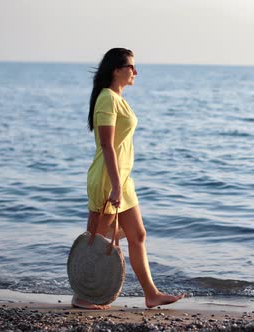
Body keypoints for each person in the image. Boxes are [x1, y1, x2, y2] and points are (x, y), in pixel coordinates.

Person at [72, 48, 185, 310]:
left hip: (123, 178)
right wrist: (114, 185)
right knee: (96, 241)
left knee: (137, 234)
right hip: (108, 178)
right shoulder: (106, 99)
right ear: (116, 70)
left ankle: (151, 294)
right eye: (131, 67)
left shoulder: (117, 99)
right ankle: (83, 295)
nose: (135, 72)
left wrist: (120, 182)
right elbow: (107, 146)